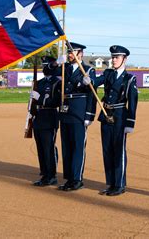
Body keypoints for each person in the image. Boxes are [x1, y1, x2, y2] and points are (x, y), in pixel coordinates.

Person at [94, 45, 138, 196]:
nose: (113, 60)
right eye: (112, 57)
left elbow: (133, 102)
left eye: (116, 57)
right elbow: (95, 81)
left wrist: (130, 122)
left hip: (120, 116)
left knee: (119, 150)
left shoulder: (129, 78)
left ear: (124, 59)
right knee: (107, 150)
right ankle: (111, 183)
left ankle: (120, 184)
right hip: (106, 114)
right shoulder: (108, 74)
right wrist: (88, 80)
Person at [57, 42, 96, 191]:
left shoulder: (88, 70)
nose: (70, 55)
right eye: (69, 52)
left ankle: (77, 179)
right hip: (66, 110)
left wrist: (89, 115)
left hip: (79, 111)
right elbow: (47, 70)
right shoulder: (64, 68)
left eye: (73, 52)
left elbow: (92, 94)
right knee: (67, 146)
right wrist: (56, 63)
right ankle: (69, 178)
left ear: (81, 54)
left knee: (78, 146)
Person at [30, 56, 61, 186]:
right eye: (43, 65)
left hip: (49, 116)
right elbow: (33, 102)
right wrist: (32, 112)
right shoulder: (40, 82)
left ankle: (51, 175)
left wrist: (40, 98)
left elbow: (56, 101)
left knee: (48, 148)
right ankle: (44, 173)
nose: (44, 68)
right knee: (41, 148)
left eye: (46, 65)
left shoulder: (57, 82)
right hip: (39, 117)